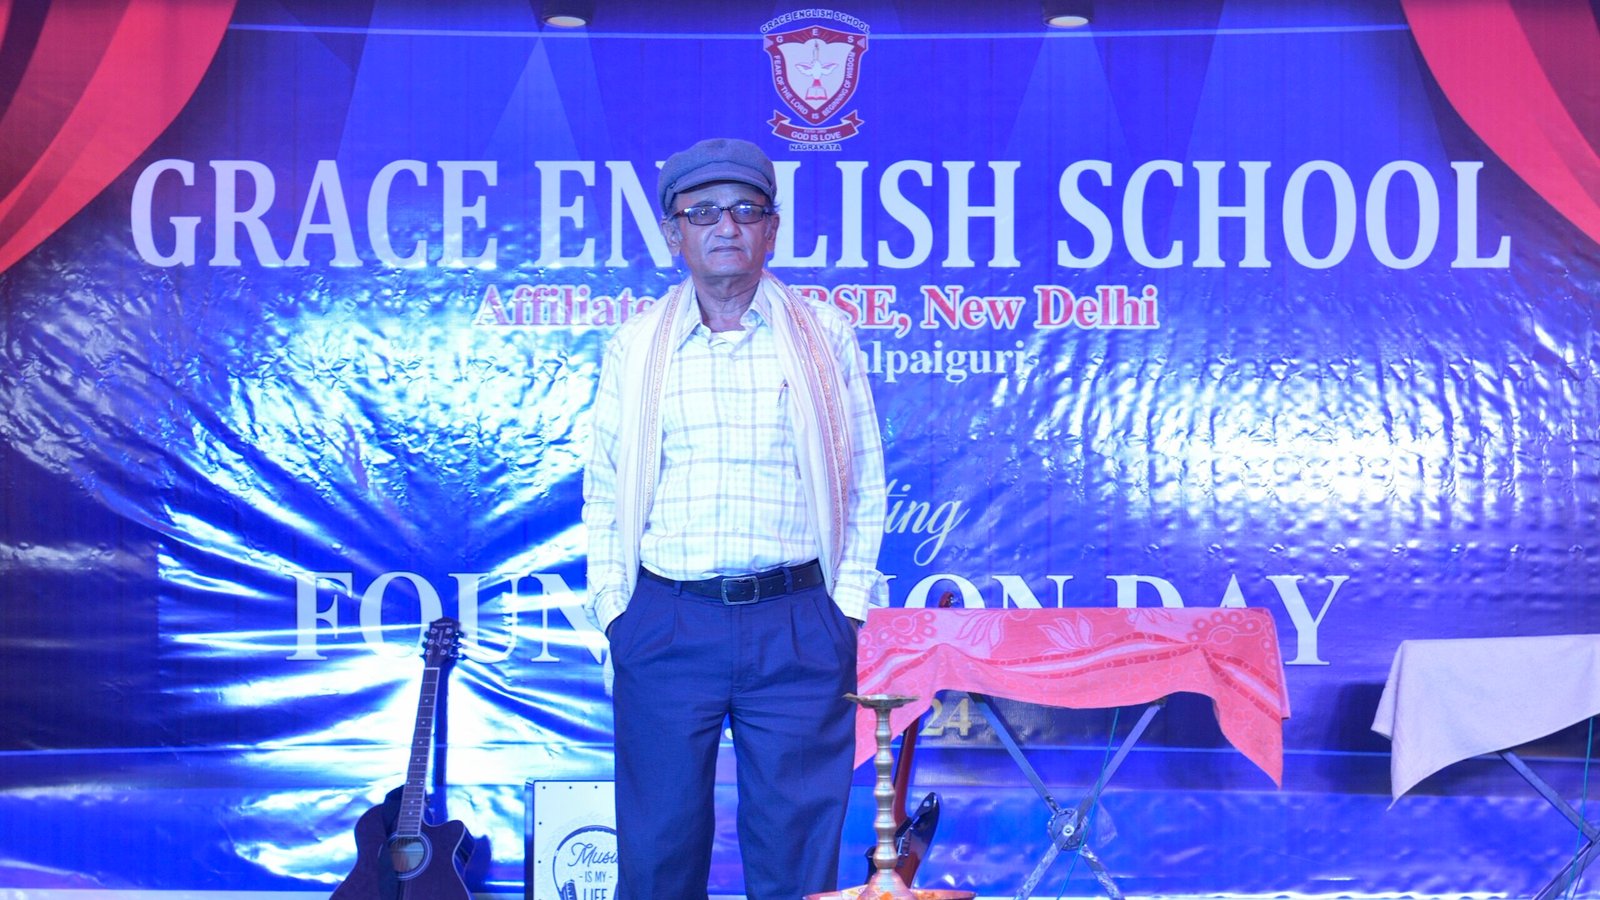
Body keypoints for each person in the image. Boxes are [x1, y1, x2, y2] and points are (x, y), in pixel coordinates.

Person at [582, 137, 889, 900]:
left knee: (796, 857)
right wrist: (618, 613)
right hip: (667, 621)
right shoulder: (636, 345)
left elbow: (864, 480)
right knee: (658, 854)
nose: (727, 226)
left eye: (747, 210)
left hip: (797, 622)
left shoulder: (825, 336)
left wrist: (845, 609)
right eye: (705, 212)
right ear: (673, 232)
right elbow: (605, 489)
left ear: (771, 230)